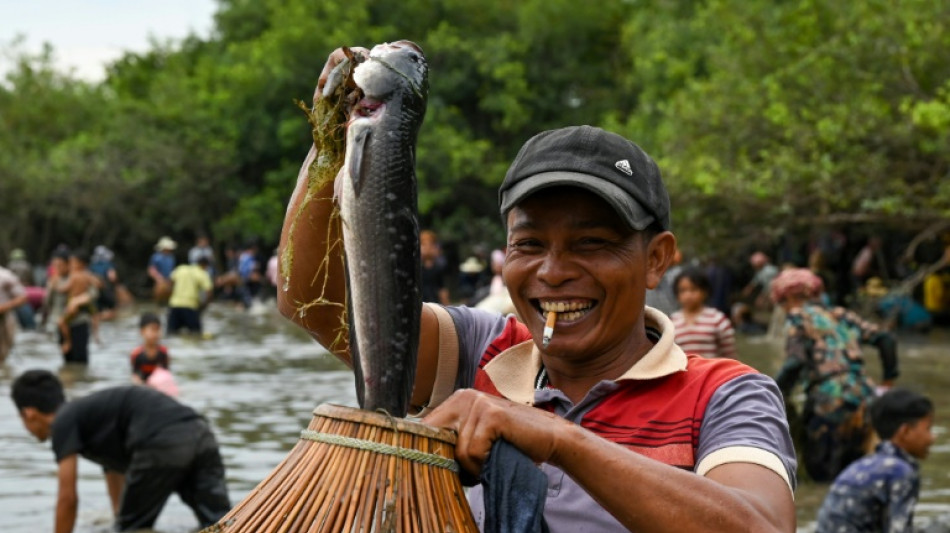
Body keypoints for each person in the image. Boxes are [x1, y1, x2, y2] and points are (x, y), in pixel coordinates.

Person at [279, 79, 796, 533]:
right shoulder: (480, 352)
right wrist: (338, 134)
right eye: (529, 246)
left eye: (591, 243)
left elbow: (763, 527)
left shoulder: (726, 394)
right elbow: (309, 300)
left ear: (656, 260)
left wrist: (556, 438)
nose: (553, 271)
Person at [10, 369, 229, 532]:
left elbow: (67, 498)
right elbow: (113, 469)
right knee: (223, 524)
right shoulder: (92, 417)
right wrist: (120, 519)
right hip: (200, 434)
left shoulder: (62, 423)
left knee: (132, 531)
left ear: (29, 413)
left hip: (161, 442)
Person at [771, 267, 900, 482]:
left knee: (822, 473)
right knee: (858, 469)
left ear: (790, 297)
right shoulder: (841, 315)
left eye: (782, 302)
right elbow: (886, 340)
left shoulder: (798, 318)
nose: (783, 308)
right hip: (866, 396)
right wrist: (888, 380)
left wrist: (772, 391)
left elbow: (795, 362)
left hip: (829, 401)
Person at [816, 388, 934, 532]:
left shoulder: (862, 464)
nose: (932, 438)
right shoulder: (901, 471)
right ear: (905, 432)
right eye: (928, 429)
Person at [670, 268, 737, 358]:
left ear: (705, 292)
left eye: (693, 289)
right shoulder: (671, 323)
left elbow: (729, 355)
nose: (688, 295)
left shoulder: (717, 319)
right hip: (683, 371)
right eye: (683, 290)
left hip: (712, 371)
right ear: (677, 295)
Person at [56, 251, 99, 362]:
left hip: (78, 319)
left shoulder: (73, 276)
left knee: (62, 322)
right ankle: (96, 336)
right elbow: (98, 283)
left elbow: (95, 292)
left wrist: (77, 300)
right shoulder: (87, 275)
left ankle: (68, 341)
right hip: (70, 314)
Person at [167, 257, 213, 335]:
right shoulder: (202, 273)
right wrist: (204, 305)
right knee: (196, 335)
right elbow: (209, 292)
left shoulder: (181, 269)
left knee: (171, 334)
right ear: (205, 266)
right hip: (190, 307)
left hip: (174, 306)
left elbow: (169, 283)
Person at [0, 264, 28, 362]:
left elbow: (22, 297)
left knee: (2, 356)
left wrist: (4, 307)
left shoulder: (5, 276)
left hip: (4, 322)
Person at [420, 229, 451, 305]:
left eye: (430, 245)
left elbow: (442, 289)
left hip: (435, 305)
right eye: (423, 244)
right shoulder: (416, 268)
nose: (427, 248)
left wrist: (447, 308)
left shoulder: (438, 267)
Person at [89, 245, 119, 321]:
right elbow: (113, 277)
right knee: (112, 309)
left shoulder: (92, 265)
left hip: (94, 292)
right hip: (106, 290)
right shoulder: (108, 264)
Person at [148, 236, 177, 304]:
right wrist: (158, 278)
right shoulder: (156, 257)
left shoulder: (171, 257)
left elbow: (172, 269)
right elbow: (151, 269)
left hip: (169, 280)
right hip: (160, 281)